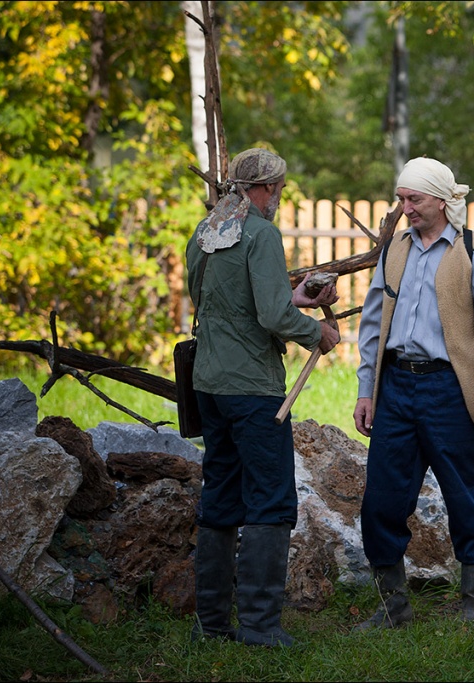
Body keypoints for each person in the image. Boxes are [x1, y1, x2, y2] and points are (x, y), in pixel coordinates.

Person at [352, 156, 474, 629]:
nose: (405, 208)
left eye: (414, 199)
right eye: (401, 199)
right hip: (397, 388)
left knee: (465, 495)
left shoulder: (473, 251)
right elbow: (372, 327)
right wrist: (368, 390)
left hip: (449, 390)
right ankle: (392, 610)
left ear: (442, 201)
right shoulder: (395, 250)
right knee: (382, 498)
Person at [186, 147, 340, 646]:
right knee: (271, 501)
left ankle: (211, 626)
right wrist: (317, 333)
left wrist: (292, 299)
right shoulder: (262, 233)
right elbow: (273, 318)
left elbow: (217, 300)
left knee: (220, 495)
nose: (278, 199)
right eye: (279, 190)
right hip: (253, 389)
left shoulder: (206, 230)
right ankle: (259, 627)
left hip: (208, 385)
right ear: (268, 188)